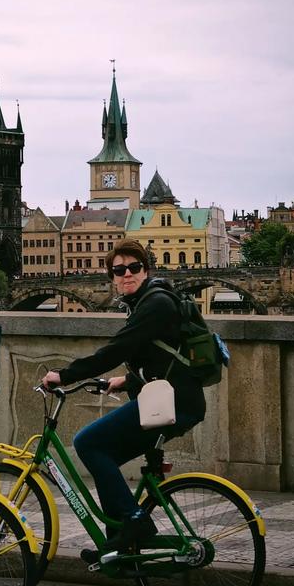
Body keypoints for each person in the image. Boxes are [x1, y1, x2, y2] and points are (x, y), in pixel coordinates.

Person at [42, 238, 205, 561]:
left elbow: (117, 350)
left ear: (146, 270)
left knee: (88, 443)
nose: (126, 274)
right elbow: (162, 359)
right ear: (112, 277)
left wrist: (65, 375)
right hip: (173, 399)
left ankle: (134, 520)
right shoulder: (148, 301)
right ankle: (117, 545)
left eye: (134, 267)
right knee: (105, 456)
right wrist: (125, 381)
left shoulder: (155, 304)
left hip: (171, 404)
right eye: (119, 270)